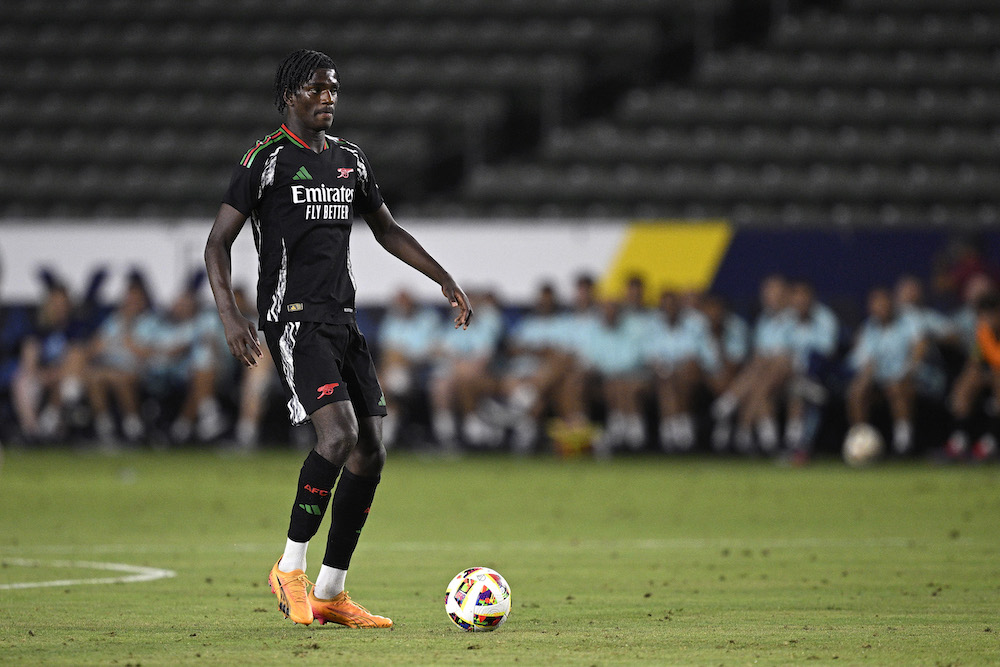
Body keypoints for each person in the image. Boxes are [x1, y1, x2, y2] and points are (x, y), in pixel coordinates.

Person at [204, 50, 472, 629]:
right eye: (318, 89)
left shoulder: (350, 160)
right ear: (290, 95)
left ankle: (330, 591)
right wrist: (230, 314)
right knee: (337, 436)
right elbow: (217, 242)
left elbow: (387, 229)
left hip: (341, 319)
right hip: (292, 319)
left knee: (371, 449)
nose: (329, 97)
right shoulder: (265, 160)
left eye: (335, 89)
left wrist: (444, 278)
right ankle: (288, 569)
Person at [845, 287, 926, 455]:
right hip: (880, 380)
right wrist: (867, 373)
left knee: (897, 387)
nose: (881, 307)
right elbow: (864, 361)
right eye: (876, 304)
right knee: (857, 390)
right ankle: (861, 440)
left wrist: (905, 373)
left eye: (884, 302)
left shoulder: (909, 321)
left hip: (911, 377)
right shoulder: (868, 328)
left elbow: (919, 350)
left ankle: (903, 443)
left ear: (892, 304)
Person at [946, 290, 1000, 461]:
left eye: (991, 314)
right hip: (991, 376)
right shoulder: (983, 333)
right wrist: (971, 377)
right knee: (967, 381)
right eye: (982, 315)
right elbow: (974, 362)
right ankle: (959, 441)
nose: (986, 320)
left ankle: (990, 442)